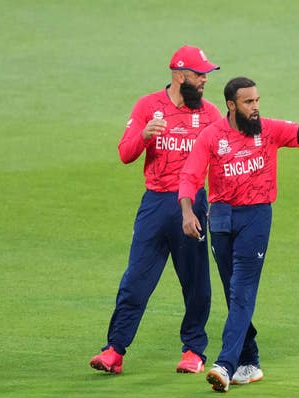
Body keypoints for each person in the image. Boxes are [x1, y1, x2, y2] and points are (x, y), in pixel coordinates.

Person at [179, 76, 299, 392]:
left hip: (256, 216)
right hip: (220, 216)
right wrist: (186, 211)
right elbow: (190, 175)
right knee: (232, 291)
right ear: (231, 105)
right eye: (249, 102)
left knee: (241, 291)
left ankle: (225, 365)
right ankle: (250, 362)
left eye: (258, 100)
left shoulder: (271, 129)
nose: (256, 107)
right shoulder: (211, 136)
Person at [89, 45, 222, 374]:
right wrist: (145, 136)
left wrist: (214, 205)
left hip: (193, 204)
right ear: (179, 76)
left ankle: (193, 350)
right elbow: (125, 153)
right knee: (136, 279)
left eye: (206, 73)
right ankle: (114, 350)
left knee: (195, 282)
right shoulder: (148, 106)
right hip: (156, 203)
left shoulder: (210, 114)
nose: (205, 79)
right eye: (198, 74)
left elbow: (222, 160)